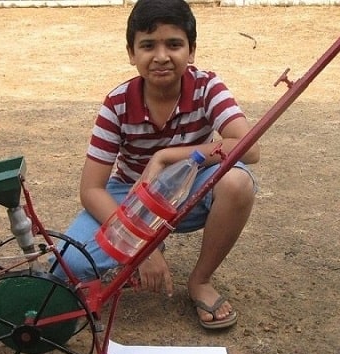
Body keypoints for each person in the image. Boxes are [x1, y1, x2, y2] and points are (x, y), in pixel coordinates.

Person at [59, 0, 259, 329]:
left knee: (237, 182)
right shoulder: (117, 104)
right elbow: (92, 189)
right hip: (131, 197)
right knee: (69, 265)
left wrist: (166, 156)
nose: (162, 56)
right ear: (131, 53)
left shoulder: (207, 87)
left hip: (187, 193)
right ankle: (154, 244)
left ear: (191, 51)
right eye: (148, 45)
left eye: (175, 44)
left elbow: (249, 148)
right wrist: (143, 246)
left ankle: (200, 281)